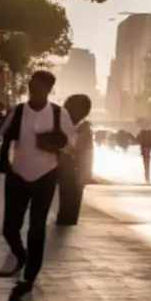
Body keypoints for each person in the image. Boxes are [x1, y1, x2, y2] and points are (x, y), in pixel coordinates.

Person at [0, 70, 77, 295]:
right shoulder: (19, 111)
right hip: (17, 174)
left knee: (37, 227)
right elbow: (2, 135)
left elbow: (71, 144)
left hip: (45, 176)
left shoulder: (60, 114)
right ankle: (21, 256)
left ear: (48, 90)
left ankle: (29, 276)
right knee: (9, 227)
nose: (33, 92)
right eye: (31, 87)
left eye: (38, 89)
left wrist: (54, 147)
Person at [56, 95, 93, 226]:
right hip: (72, 172)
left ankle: (66, 221)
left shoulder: (83, 129)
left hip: (74, 172)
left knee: (70, 205)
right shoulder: (78, 128)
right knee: (69, 205)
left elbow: (76, 148)